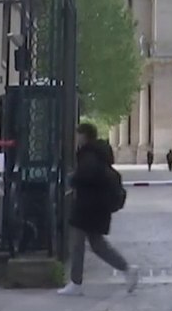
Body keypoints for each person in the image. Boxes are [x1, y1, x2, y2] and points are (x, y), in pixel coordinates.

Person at [59, 122, 139, 296]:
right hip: (96, 207)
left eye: (78, 134)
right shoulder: (97, 152)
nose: (76, 138)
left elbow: (87, 175)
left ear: (84, 136)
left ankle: (76, 283)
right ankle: (127, 269)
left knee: (78, 244)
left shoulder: (89, 154)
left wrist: (73, 179)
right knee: (97, 245)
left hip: (87, 207)